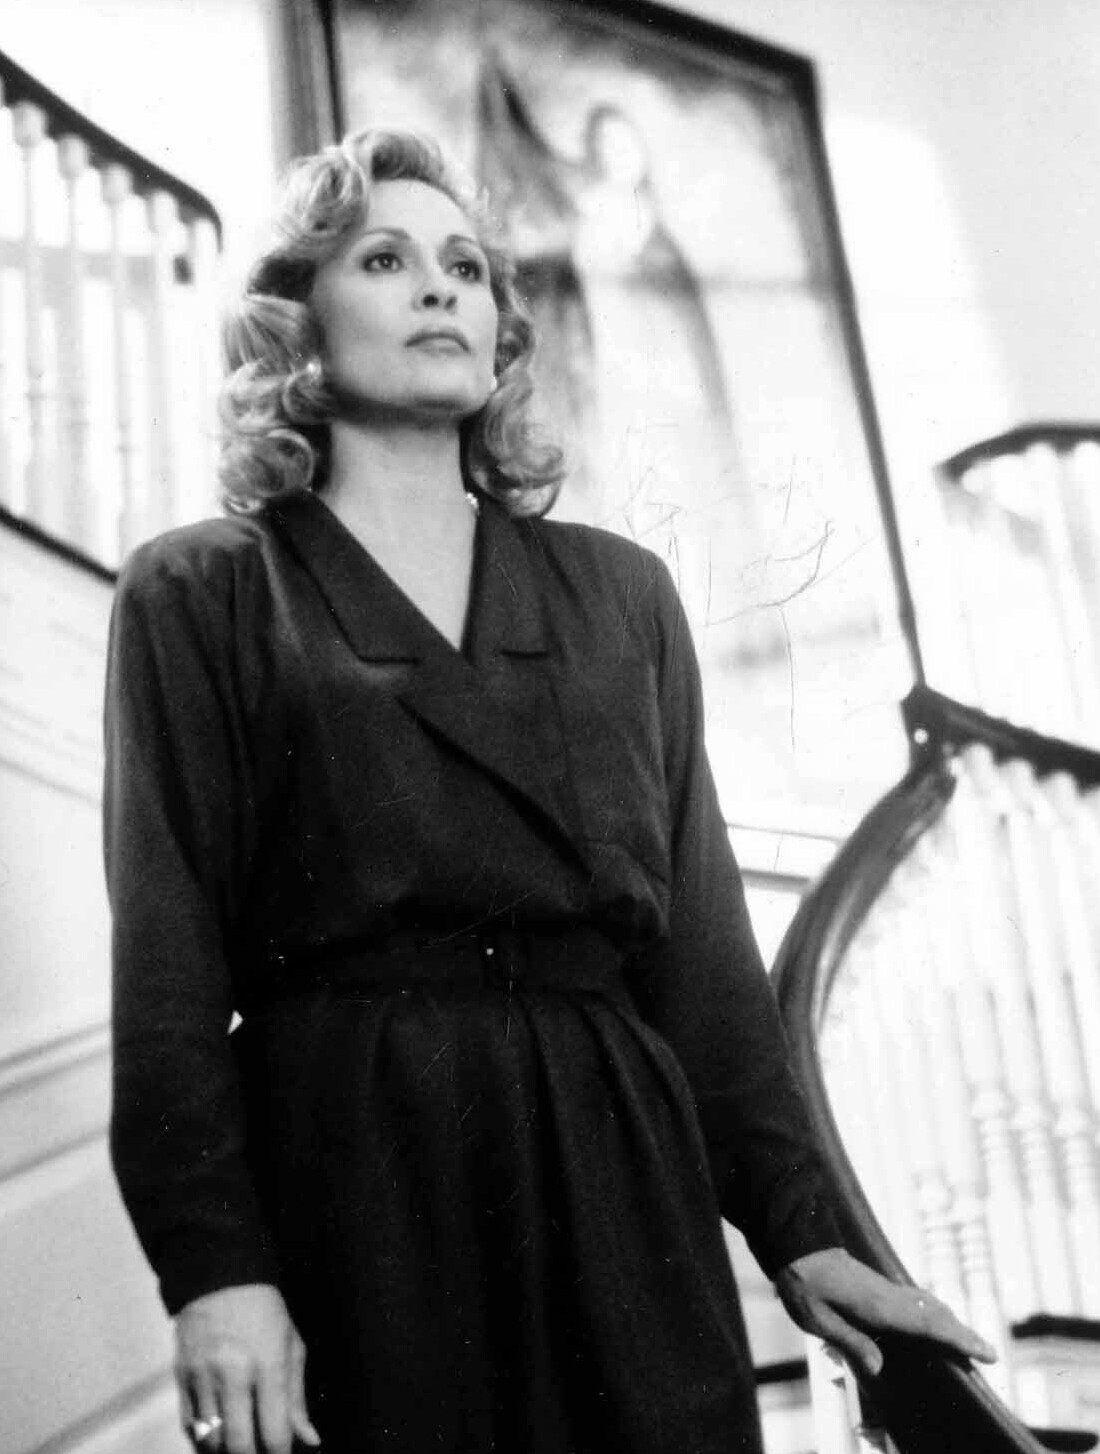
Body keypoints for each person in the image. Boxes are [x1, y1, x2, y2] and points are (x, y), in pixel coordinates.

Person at [103, 129, 993, 1454]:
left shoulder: (622, 592)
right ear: (295, 321)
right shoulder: (205, 590)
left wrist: (806, 1230)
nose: (439, 286)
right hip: (356, 1164)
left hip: (620, 1164)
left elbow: (706, 967)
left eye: (465, 266)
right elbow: (167, 970)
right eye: (386, 259)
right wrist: (216, 1271)